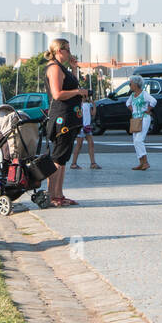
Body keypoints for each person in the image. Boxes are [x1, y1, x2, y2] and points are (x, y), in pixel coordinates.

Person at [42, 39, 88, 206]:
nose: (70, 53)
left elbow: (72, 85)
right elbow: (57, 94)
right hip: (62, 118)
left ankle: (59, 194)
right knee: (57, 157)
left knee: (63, 159)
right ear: (59, 51)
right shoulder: (54, 68)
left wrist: (74, 70)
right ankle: (52, 195)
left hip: (70, 117)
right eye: (67, 50)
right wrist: (78, 91)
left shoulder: (63, 68)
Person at [125, 75, 155, 171]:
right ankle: (141, 163)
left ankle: (145, 162)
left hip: (144, 118)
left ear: (136, 84)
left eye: (131, 83)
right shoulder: (132, 95)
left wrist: (148, 109)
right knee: (135, 141)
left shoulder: (144, 94)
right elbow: (127, 103)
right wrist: (132, 110)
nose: (130, 85)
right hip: (135, 119)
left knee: (139, 140)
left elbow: (153, 101)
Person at [69, 97, 101, 170]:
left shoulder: (88, 104)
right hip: (81, 127)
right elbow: (78, 116)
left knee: (91, 144)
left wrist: (93, 105)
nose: (86, 97)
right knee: (79, 145)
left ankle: (93, 163)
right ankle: (73, 163)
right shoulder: (78, 105)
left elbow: (93, 114)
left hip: (87, 127)